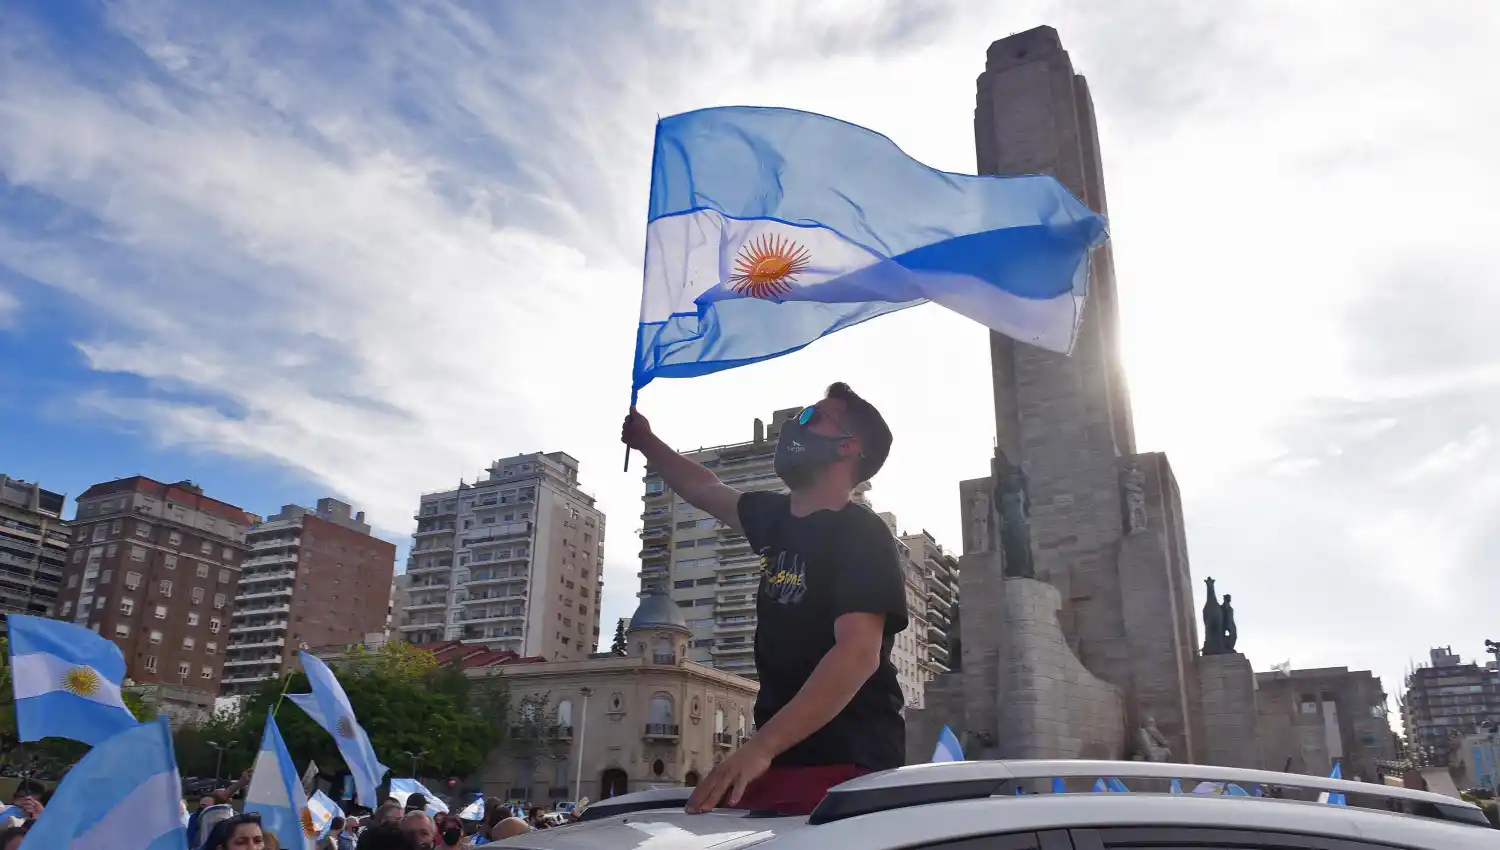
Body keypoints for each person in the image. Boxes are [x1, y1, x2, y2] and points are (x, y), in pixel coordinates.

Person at [623, 383, 908, 816]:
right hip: (783, 758)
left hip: (847, 763)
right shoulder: (775, 519)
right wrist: (647, 443)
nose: (797, 424)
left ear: (847, 448)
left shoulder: (861, 533)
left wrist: (761, 747)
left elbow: (857, 653)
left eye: (813, 417)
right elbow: (705, 488)